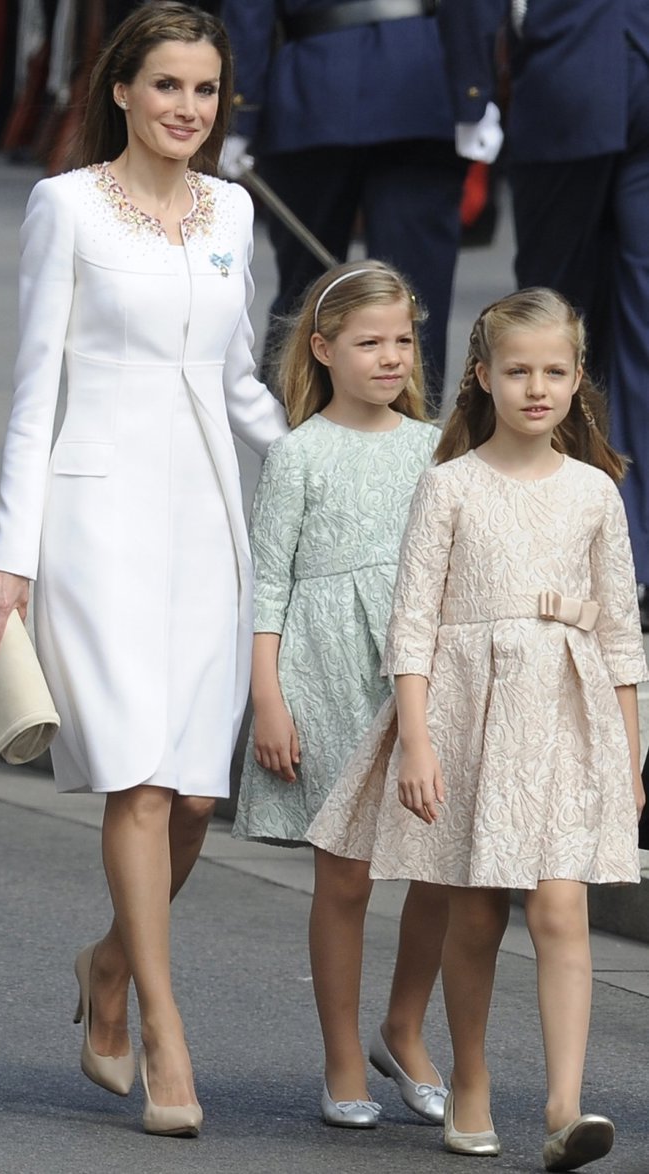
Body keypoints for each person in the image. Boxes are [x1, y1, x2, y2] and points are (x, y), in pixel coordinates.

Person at [0, 1, 287, 1138]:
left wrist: (330, 463)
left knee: (199, 794)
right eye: (166, 87)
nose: (186, 110)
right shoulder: (65, 206)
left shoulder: (235, 212)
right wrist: (11, 555)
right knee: (141, 783)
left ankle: (108, 963)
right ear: (119, 89)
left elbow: (241, 379)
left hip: (207, 521)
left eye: (204, 91)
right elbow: (36, 383)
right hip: (95, 521)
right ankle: (164, 1028)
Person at [309, 287, 647, 1168]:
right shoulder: (449, 486)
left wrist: (631, 752)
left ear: (578, 380)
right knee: (474, 913)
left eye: (556, 371)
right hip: (468, 719)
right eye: (519, 370)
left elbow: (620, 636)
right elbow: (412, 625)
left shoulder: (596, 494)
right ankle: (470, 1082)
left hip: (568, 724)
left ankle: (567, 1108)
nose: (538, 388)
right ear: (483, 377)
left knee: (562, 906)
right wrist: (416, 740)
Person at [233, 260, 449, 1128]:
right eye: (369, 342)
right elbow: (268, 589)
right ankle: (339, 1061)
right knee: (348, 879)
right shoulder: (298, 453)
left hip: (419, 677)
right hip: (323, 671)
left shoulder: (435, 447)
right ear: (323, 350)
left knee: (440, 862)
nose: (391, 357)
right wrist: (268, 700)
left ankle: (404, 1026)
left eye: (402, 340)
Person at [437, 0, 649, 628]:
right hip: (572, 80)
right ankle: (569, 539)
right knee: (553, 332)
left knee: (583, 329)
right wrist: (473, 90)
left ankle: (617, 552)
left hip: (573, 75)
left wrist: (474, 93)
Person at [219, 0, 468, 412]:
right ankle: (408, 452)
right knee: (413, 297)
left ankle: (290, 445)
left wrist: (240, 110)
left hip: (314, 86)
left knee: (307, 292)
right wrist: (475, 92)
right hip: (419, 82)